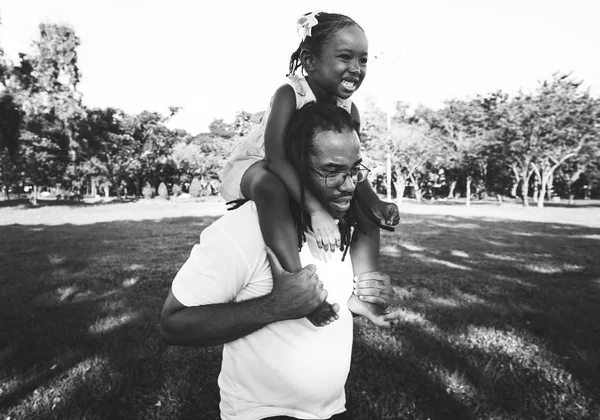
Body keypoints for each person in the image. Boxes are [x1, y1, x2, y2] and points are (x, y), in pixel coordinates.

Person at [160, 102, 398, 419]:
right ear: (294, 168)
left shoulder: (337, 225)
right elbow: (172, 324)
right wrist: (276, 306)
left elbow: (322, 309)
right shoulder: (242, 229)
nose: (351, 184)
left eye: (355, 169)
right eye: (331, 171)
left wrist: (356, 302)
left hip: (332, 410)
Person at [220, 11, 400, 327]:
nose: (356, 69)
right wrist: (316, 212)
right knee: (269, 186)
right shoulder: (289, 93)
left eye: (363, 60)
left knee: (362, 203)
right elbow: (275, 160)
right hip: (256, 167)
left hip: (300, 172)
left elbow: (351, 167)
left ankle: (363, 292)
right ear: (310, 59)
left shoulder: (349, 109)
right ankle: (297, 287)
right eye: (345, 57)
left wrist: (375, 203)